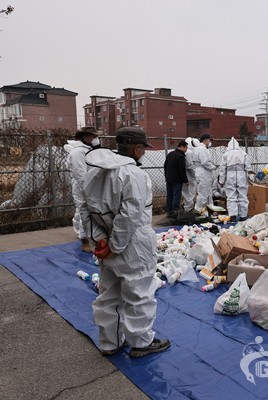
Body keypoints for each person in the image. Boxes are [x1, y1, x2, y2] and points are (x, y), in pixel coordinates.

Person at [80, 127, 170, 358]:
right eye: (142, 148)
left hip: (105, 238)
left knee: (109, 293)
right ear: (137, 148)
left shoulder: (94, 173)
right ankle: (140, 342)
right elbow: (129, 215)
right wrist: (115, 245)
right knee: (138, 291)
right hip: (132, 242)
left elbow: (85, 209)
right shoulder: (134, 175)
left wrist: (99, 240)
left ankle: (110, 342)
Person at [65, 126, 100, 252]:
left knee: (86, 212)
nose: (96, 139)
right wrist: (87, 188)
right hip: (83, 186)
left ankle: (89, 236)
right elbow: (81, 175)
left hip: (91, 185)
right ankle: (85, 240)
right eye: (94, 136)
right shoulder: (78, 153)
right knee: (84, 212)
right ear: (85, 137)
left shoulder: (88, 150)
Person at [219, 137, 251, 221]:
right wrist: (250, 178)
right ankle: (243, 216)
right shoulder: (243, 153)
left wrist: (221, 181)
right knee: (243, 196)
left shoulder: (225, 155)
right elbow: (248, 167)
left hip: (230, 175)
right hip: (241, 175)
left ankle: (233, 216)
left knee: (231, 196)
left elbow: (222, 169)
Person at [192, 134, 217, 216]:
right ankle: (198, 211)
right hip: (203, 173)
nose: (209, 142)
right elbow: (205, 162)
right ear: (205, 140)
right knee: (203, 193)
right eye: (209, 140)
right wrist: (213, 167)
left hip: (202, 172)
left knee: (208, 192)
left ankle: (209, 211)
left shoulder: (198, 149)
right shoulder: (202, 149)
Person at [163, 140, 188, 219]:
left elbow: (165, 166)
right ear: (182, 147)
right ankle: (176, 211)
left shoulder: (170, 154)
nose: (186, 150)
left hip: (169, 178)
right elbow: (182, 170)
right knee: (176, 195)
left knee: (169, 195)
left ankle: (169, 211)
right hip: (177, 179)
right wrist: (185, 180)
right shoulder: (181, 156)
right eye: (186, 148)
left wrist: (166, 176)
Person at [182, 137, 200, 213]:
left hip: (186, 174)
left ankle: (187, 207)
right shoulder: (189, 153)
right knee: (190, 192)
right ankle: (188, 208)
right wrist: (195, 175)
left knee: (187, 192)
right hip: (189, 175)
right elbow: (190, 166)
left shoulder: (187, 152)